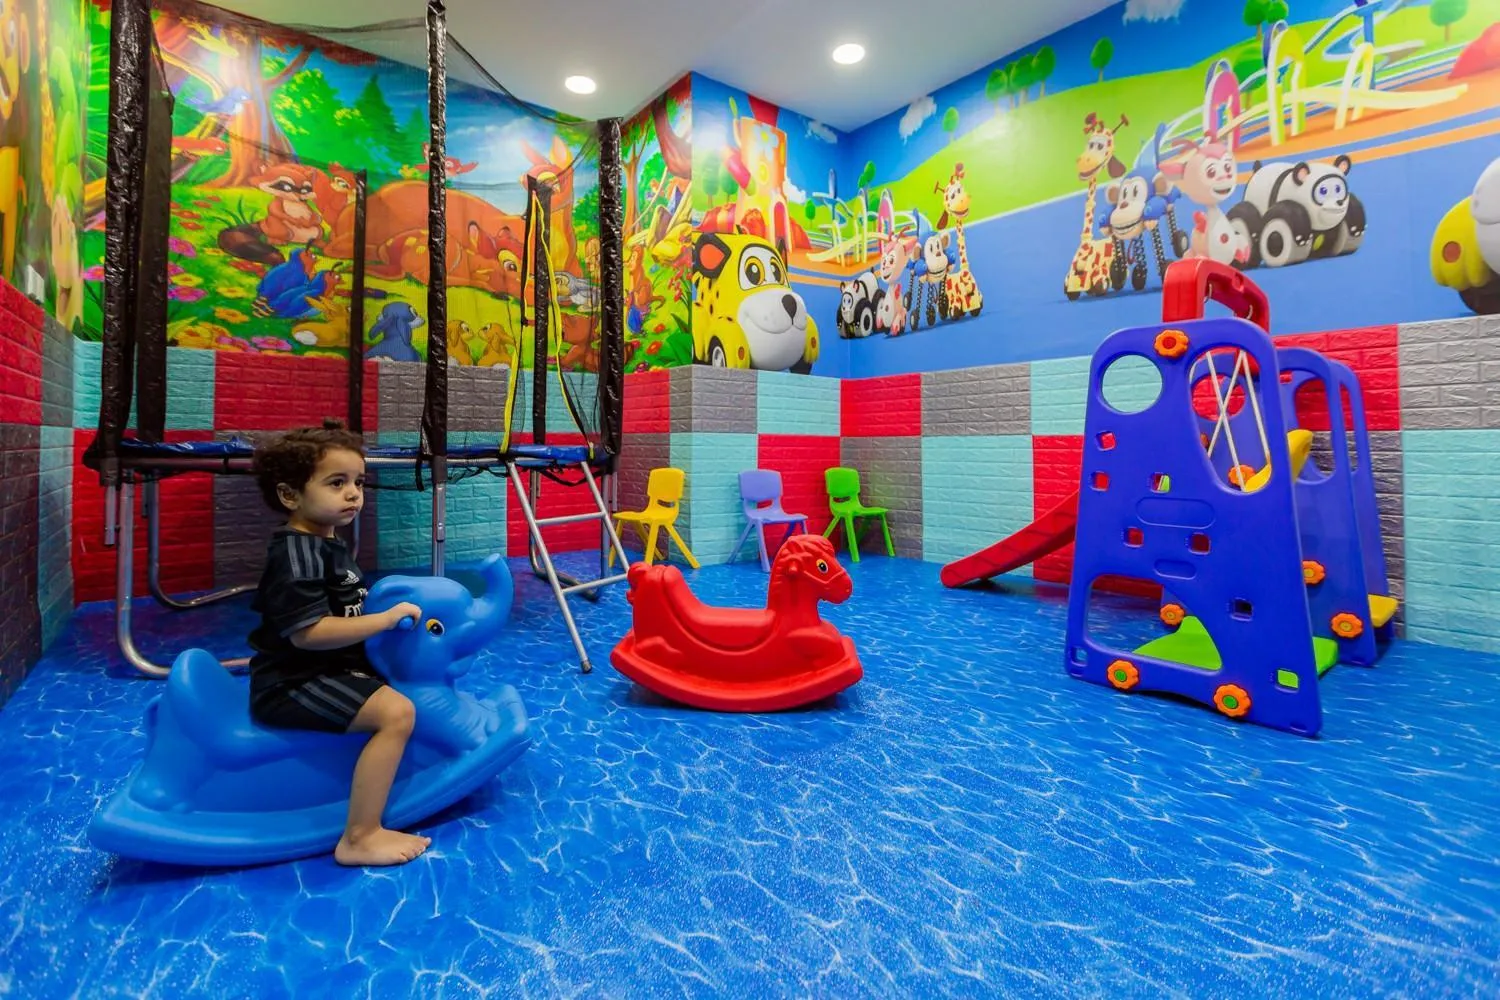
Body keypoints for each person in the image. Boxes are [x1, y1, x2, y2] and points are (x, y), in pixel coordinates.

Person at [248, 419, 429, 867]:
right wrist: (383, 620)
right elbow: (308, 633)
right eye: (336, 483)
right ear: (291, 496)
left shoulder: (328, 542)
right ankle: (360, 836)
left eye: (358, 482)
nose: (353, 493)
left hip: (328, 666)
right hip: (294, 680)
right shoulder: (297, 552)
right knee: (397, 713)